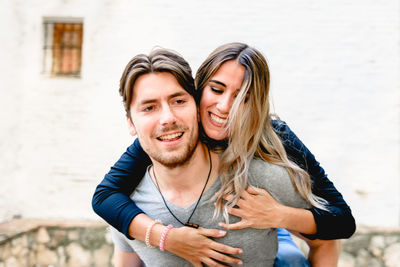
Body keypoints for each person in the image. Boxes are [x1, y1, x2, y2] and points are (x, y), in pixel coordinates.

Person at [93, 43, 355, 266]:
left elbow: (341, 222)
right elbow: (104, 196)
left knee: (289, 258)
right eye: (217, 90)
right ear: (199, 93)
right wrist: (168, 238)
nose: (225, 107)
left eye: (243, 98)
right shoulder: (161, 139)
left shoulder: (275, 136)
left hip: (272, 217)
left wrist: (278, 216)